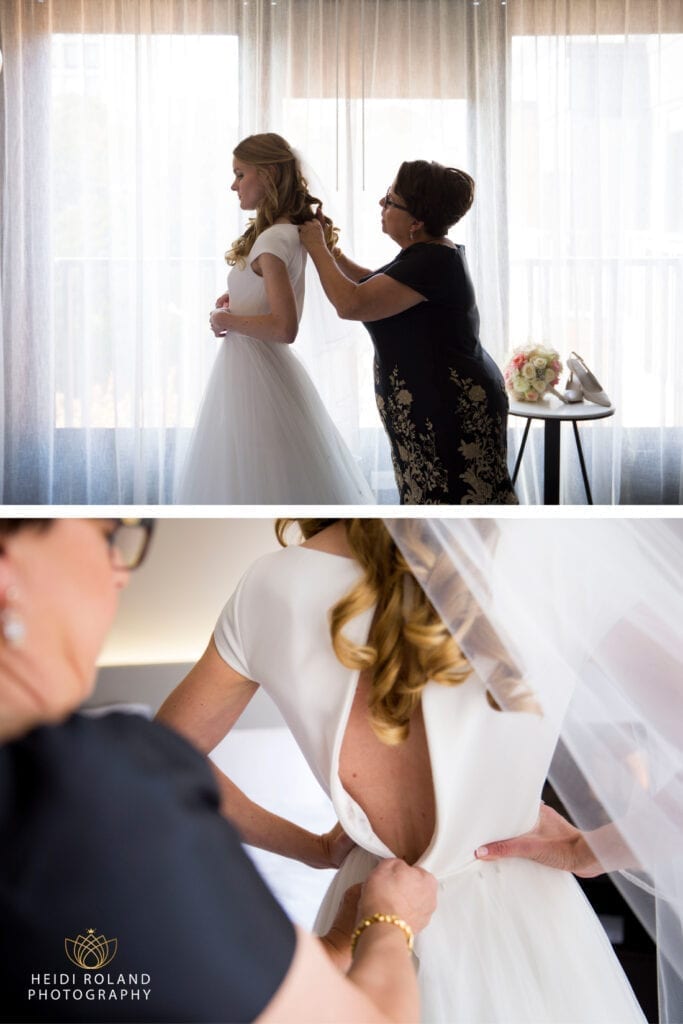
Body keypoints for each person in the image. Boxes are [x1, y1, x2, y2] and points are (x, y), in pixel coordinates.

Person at [157, 517, 646, 1023]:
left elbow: (158, 765)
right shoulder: (555, 551)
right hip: (531, 924)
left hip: (367, 910)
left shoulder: (268, 587)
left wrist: (312, 848)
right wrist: (590, 850)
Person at [0, 517, 439, 1024]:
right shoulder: (91, 797)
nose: (120, 573)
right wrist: (389, 925)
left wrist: (337, 927)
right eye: (106, 538)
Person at [298, 162, 518, 505]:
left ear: (416, 222)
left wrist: (316, 247)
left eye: (390, 200)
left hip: (450, 410)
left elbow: (351, 304)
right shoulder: (428, 254)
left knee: (455, 504)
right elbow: (372, 285)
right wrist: (332, 251)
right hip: (437, 402)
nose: (381, 206)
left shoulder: (431, 262)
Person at [175, 133, 373, 504]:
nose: (233, 185)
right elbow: (272, 298)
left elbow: (285, 327)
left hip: (254, 374)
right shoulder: (286, 234)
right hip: (258, 371)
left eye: (240, 174)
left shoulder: (271, 241)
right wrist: (241, 299)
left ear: (266, 176)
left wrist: (225, 319)